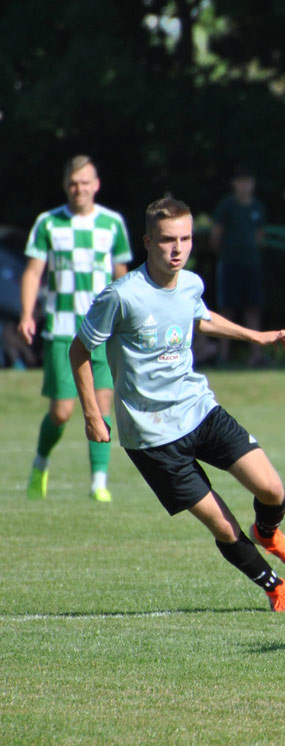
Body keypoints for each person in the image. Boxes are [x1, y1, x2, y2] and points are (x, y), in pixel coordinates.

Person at [70, 197, 285, 612]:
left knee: (272, 489)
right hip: (151, 437)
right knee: (223, 525)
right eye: (168, 239)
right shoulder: (122, 295)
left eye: (185, 238)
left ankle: (268, 533)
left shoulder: (191, 283)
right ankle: (277, 589)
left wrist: (257, 337)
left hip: (199, 411)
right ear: (148, 242)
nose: (177, 248)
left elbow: (201, 318)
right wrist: (93, 415)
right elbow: (79, 351)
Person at [19, 155, 132, 502]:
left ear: (96, 185)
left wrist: (128, 319)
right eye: (73, 183)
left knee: (102, 403)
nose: (79, 189)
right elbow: (33, 273)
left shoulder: (112, 224)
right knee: (62, 411)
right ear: (65, 186)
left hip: (102, 332)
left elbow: (122, 276)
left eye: (85, 182)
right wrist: (27, 314)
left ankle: (99, 483)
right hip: (62, 331)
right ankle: (40, 463)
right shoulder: (49, 223)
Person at [210, 166, 267, 365]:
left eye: (248, 181)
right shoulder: (227, 207)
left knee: (253, 308)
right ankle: (223, 355)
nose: (245, 186)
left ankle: (256, 355)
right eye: (241, 181)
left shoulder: (258, 207)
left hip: (252, 264)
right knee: (227, 309)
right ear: (234, 184)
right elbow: (215, 237)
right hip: (230, 263)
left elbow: (259, 237)